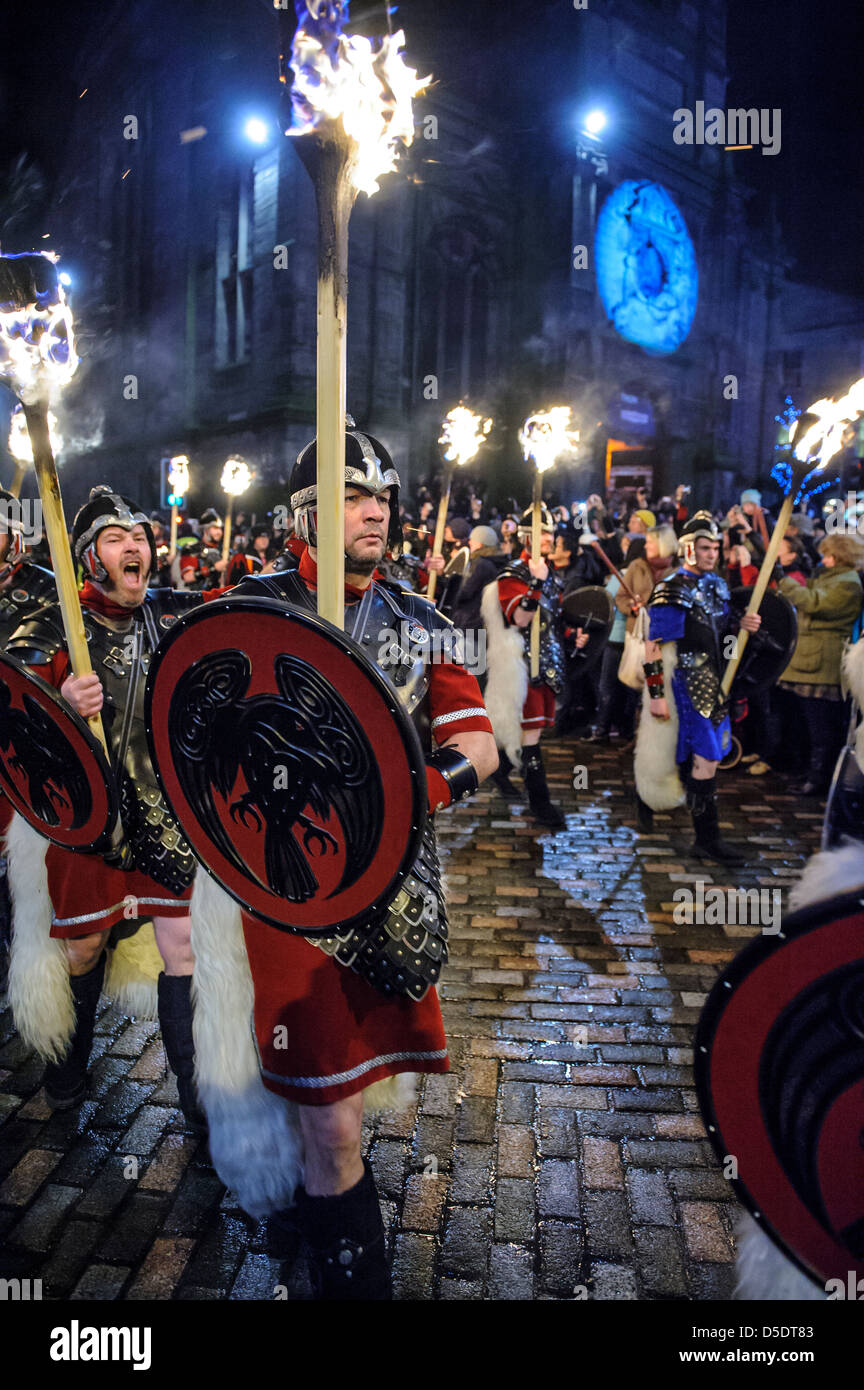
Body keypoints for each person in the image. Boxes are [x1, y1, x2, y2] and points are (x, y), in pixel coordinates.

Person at [196, 428, 497, 1299]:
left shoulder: (424, 625)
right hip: (280, 890)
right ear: (308, 513)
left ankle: (330, 1252)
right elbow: (188, 730)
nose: (377, 513)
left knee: (336, 1106)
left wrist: (419, 793)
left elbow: (479, 742)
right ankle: (333, 1251)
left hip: (379, 896)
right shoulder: (244, 610)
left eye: (384, 499)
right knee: (321, 1111)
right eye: (357, 497)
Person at [5, 488, 207, 1125]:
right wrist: (61, 698)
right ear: (89, 558)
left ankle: (200, 1104)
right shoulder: (48, 625)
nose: (135, 549)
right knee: (84, 947)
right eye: (117, 540)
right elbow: (18, 725)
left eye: (140, 539)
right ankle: (67, 1069)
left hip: (163, 817)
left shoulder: (172, 614)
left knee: (186, 949)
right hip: (86, 820)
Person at [634, 511, 761, 862]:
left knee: (704, 759)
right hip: (685, 685)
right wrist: (657, 696)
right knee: (704, 759)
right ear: (689, 549)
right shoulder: (672, 588)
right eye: (705, 548)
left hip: (716, 682)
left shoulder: (717, 585)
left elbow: (720, 634)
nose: (712, 554)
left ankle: (650, 801)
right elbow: (653, 645)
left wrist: (743, 622)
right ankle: (706, 840)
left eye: (716, 548)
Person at [776, 533, 864, 795]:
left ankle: (819, 777)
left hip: (822, 663)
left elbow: (814, 602)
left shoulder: (847, 584)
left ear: (839, 557)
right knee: (808, 723)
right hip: (811, 660)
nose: (824, 559)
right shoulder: (831, 577)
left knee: (821, 727)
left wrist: (784, 580)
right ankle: (810, 771)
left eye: (828, 555)